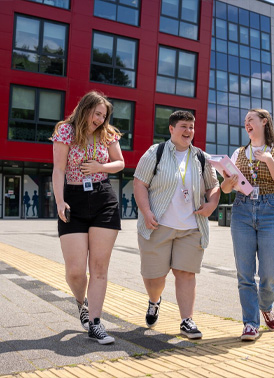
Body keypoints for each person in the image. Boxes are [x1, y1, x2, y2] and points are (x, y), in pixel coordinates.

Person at [133, 110, 220, 339]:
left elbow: (213, 185)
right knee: (155, 279)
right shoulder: (156, 152)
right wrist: (146, 211)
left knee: (186, 273)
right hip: (157, 225)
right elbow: (140, 183)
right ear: (171, 129)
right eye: (183, 126)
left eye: (191, 127)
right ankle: (154, 300)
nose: (188, 131)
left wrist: (211, 204)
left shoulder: (201, 156)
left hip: (191, 228)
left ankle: (186, 320)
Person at [51, 91, 124, 345]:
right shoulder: (65, 132)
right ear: (85, 109)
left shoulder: (108, 134)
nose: (100, 119)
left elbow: (120, 163)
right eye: (97, 114)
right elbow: (58, 169)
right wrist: (60, 201)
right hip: (73, 199)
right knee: (75, 271)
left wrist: (100, 168)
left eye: (104, 116)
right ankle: (81, 303)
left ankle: (95, 323)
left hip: (103, 198)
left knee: (99, 268)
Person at [220, 108, 274, 341]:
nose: (247, 124)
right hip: (241, 210)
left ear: (264, 122)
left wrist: (269, 161)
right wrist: (228, 183)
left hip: (270, 210)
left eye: (251, 119)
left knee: (270, 271)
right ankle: (250, 323)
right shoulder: (239, 152)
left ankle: (266, 306)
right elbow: (225, 189)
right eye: (245, 121)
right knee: (245, 272)